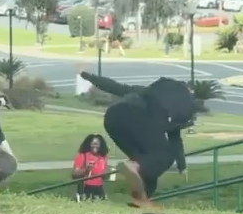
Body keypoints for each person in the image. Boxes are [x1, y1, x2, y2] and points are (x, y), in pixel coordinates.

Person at [79, 71, 194, 206]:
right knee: (164, 155)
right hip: (138, 116)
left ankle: (140, 200)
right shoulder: (180, 106)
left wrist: (90, 77)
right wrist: (182, 165)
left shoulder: (146, 91)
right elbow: (175, 138)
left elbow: (116, 87)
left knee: (147, 163)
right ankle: (133, 166)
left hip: (113, 118)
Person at [72, 134, 109, 201]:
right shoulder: (82, 156)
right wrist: (86, 170)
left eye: (97, 144)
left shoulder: (103, 158)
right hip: (86, 189)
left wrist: (107, 175)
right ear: (89, 144)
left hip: (99, 190)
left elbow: (104, 175)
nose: (95, 146)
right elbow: (74, 174)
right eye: (93, 144)